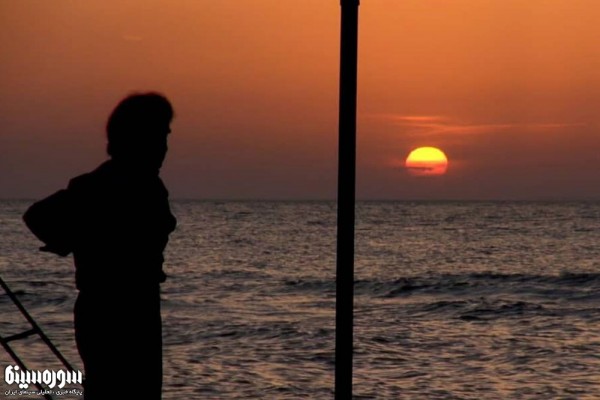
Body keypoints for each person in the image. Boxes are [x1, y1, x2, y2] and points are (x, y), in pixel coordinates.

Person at [23, 92, 177, 400]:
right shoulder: (105, 183)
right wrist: (71, 240)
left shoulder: (146, 184)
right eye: (158, 137)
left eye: (165, 137)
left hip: (139, 306)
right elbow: (38, 215)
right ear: (137, 139)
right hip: (111, 310)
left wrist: (73, 240)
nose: (164, 148)